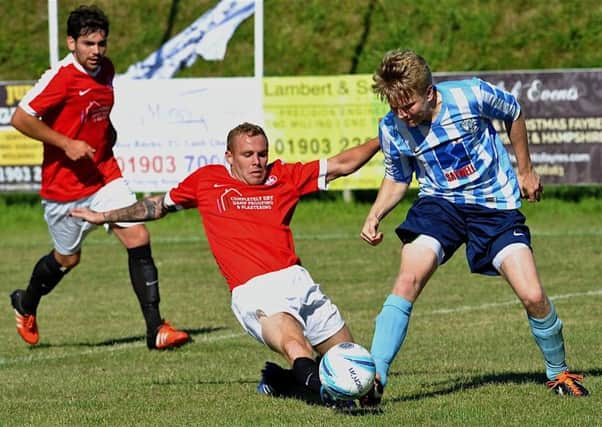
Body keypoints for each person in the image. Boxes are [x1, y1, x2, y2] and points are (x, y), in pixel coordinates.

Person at [71, 122, 380, 406]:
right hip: (255, 290)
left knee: (358, 370)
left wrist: (385, 136)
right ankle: (328, 397)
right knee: (294, 344)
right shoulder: (207, 181)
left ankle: (279, 381)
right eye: (248, 155)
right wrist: (104, 216)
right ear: (229, 157)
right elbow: (156, 207)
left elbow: (342, 164)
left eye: (262, 154)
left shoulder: (284, 176)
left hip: (298, 280)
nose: (257, 162)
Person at [360, 49, 589, 402]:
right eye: (394, 108)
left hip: (494, 207)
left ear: (430, 93)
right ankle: (374, 378)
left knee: (532, 295)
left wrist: (525, 170)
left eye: (408, 106)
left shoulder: (471, 95)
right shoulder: (391, 128)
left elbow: (513, 111)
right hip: (441, 206)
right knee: (409, 277)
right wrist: (376, 214)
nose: (402, 116)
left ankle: (558, 372)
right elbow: (397, 177)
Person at [9, 5, 189, 350]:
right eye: (88, 44)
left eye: (101, 43)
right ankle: (26, 302)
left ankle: (156, 330)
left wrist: (106, 134)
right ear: (71, 42)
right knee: (67, 259)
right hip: (65, 187)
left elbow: (97, 111)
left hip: (104, 172)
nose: (96, 51)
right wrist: (66, 143)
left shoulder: (106, 69)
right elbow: (20, 118)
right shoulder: (60, 77)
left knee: (138, 235)